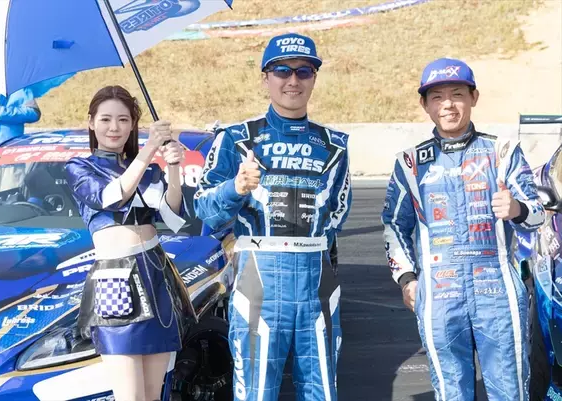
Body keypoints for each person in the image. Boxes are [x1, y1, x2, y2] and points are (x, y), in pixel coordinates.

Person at [194, 33, 352, 400]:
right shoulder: (235, 139)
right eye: (282, 70)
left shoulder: (336, 145)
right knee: (256, 391)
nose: (293, 80)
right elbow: (204, 210)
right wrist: (236, 188)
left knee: (323, 391)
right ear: (265, 77)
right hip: (258, 280)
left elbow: (338, 215)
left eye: (304, 71)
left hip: (317, 281)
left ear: (314, 78)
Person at [381, 57, 545, 401]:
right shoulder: (410, 163)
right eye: (437, 97)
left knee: (510, 390)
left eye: (457, 94)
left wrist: (516, 208)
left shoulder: (502, 152)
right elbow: (395, 225)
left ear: (474, 97)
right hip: (439, 294)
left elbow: (538, 215)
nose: (448, 104)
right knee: (451, 391)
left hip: (497, 292)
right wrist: (407, 279)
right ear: (425, 104)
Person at [64, 85, 194, 401]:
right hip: (114, 278)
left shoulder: (148, 171)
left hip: (157, 275)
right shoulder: (79, 167)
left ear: (133, 125)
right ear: (91, 122)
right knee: (130, 396)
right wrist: (149, 150)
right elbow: (110, 197)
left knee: (152, 395)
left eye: (123, 120)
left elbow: (173, 219)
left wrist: (173, 168)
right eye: (106, 119)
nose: (114, 127)